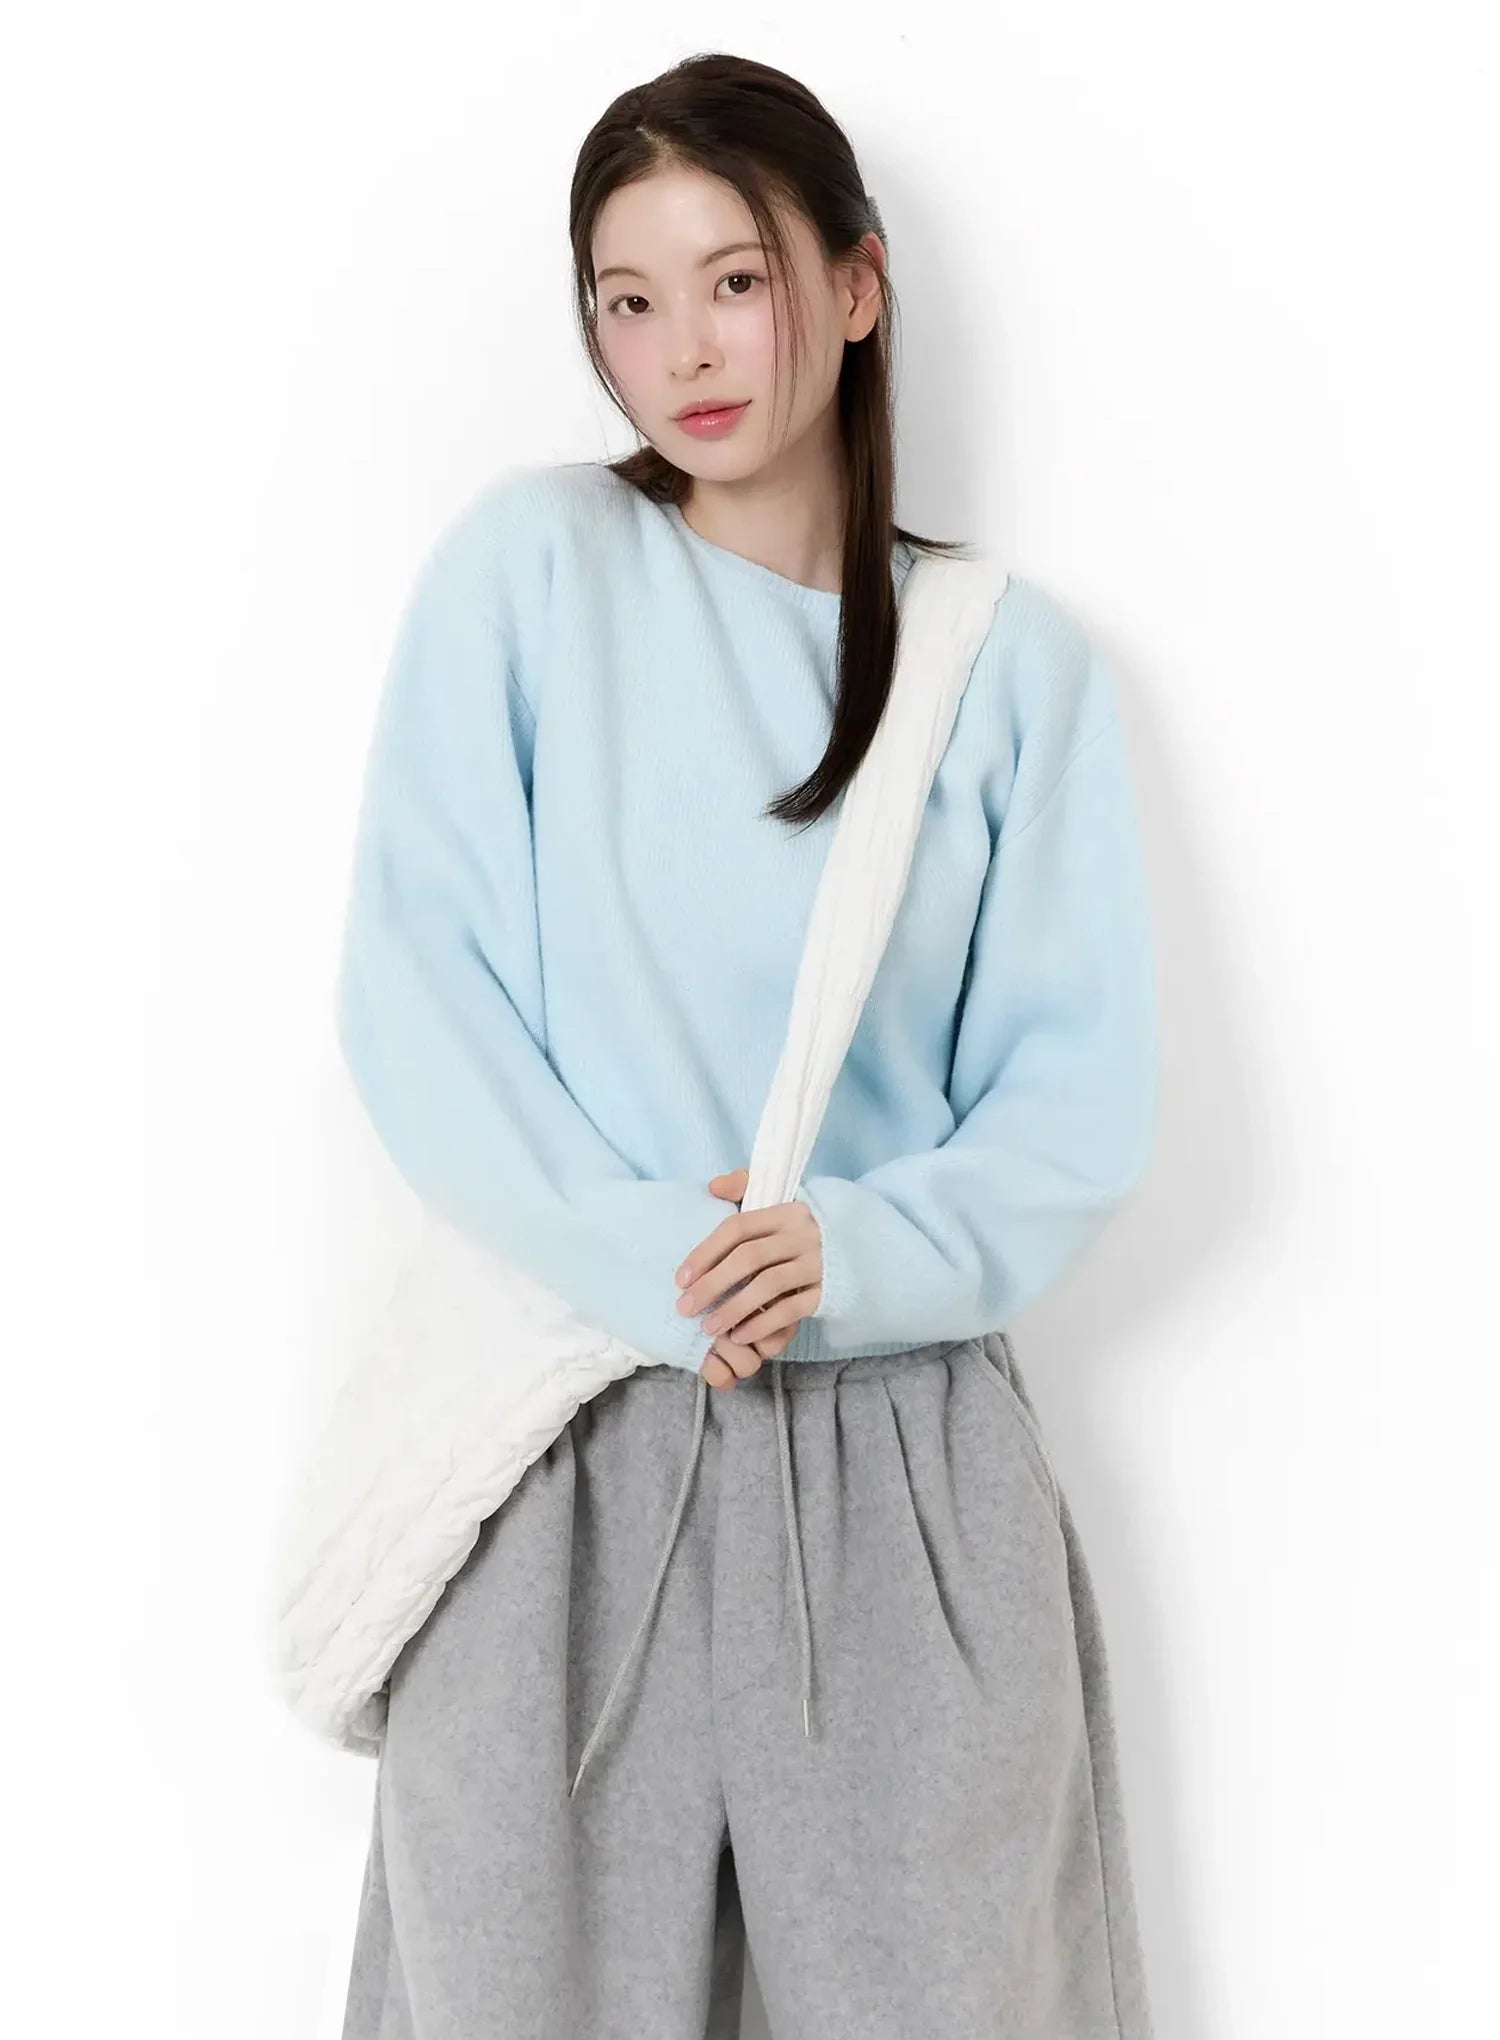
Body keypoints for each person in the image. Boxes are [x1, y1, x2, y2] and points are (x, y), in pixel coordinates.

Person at [335, 49, 1159, 2040]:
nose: (682, 348)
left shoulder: (1005, 667)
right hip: (559, 1433)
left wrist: (853, 1253)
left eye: (736, 279)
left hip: (904, 1458)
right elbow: (422, 997)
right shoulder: (530, 575)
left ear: (856, 284)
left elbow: (1073, 1096)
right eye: (628, 300)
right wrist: (662, 1259)